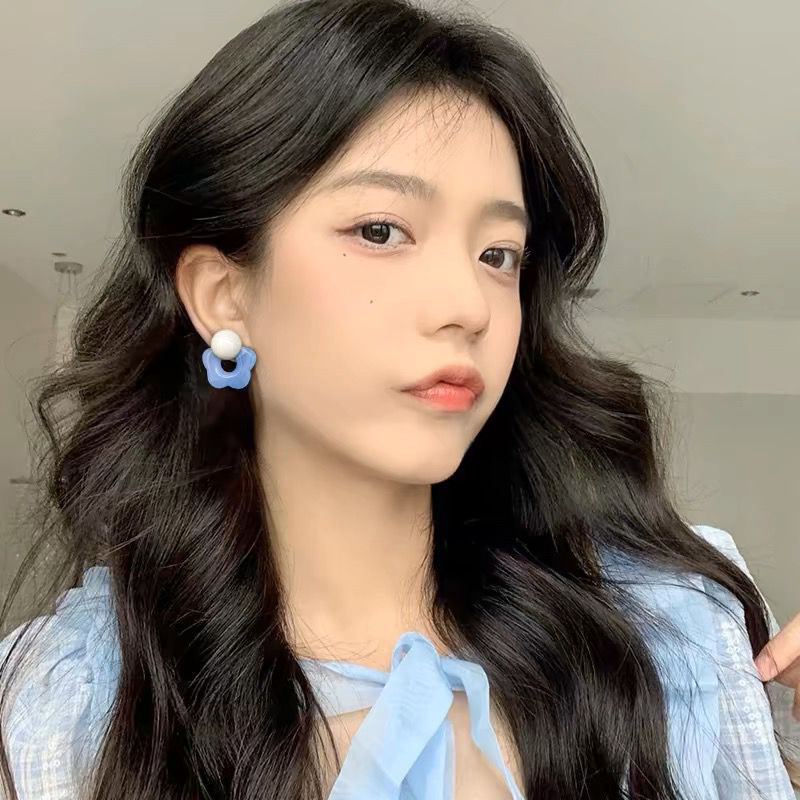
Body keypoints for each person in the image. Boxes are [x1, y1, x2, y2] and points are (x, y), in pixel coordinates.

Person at [0, 0, 798, 798]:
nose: (468, 305)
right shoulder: (68, 707)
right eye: (381, 231)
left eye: (499, 254)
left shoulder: (673, 631)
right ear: (223, 296)